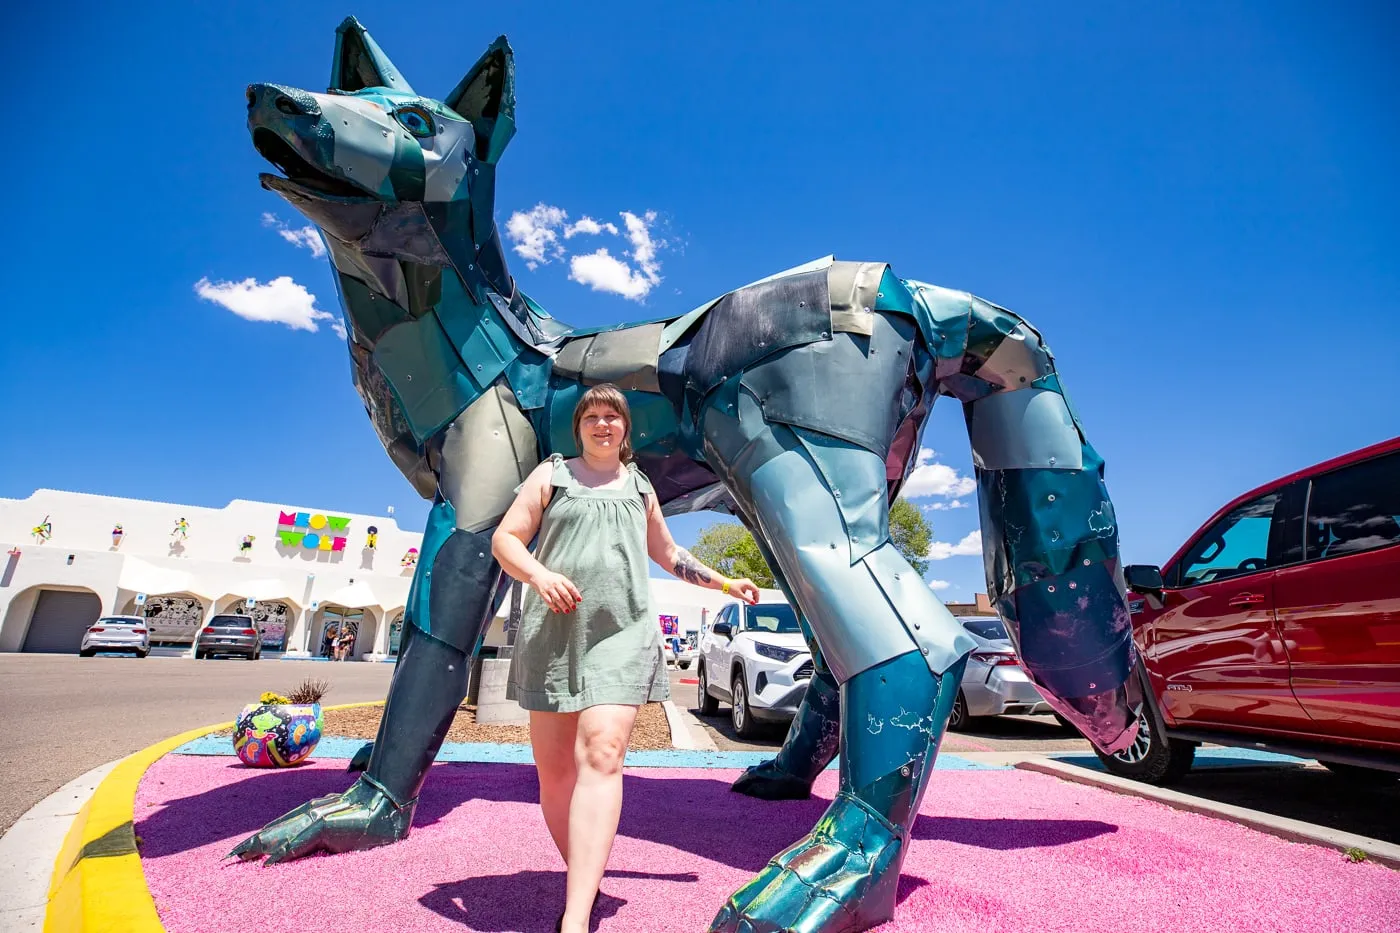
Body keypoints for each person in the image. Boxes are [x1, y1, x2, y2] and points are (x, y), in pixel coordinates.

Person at [492, 383, 759, 933]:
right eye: (592, 416)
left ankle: (576, 914)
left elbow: (668, 554)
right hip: (554, 633)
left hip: (623, 634)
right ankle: (584, 877)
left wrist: (725, 582)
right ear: (579, 429)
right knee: (556, 774)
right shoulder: (552, 476)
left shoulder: (640, 488)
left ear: (624, 430)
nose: (602, 424)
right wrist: (539, 574)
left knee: (604, 752)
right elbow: (506, 540)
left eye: (612, 416)